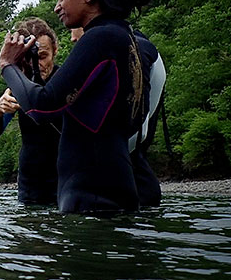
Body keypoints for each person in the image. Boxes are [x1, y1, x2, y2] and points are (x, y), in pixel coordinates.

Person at [0, 0, 149, 214]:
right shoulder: (126, 38)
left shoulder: (100, 37)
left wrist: (8, 65)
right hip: (113, 187)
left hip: (91, 196)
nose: (57, 6)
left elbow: (42, 108)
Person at [70, 26, 164, 207]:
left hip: (131, 181)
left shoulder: (133, 49)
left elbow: (139, 127)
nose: (73, 39)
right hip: (132, 174)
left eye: (75, 26)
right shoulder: (127, 44)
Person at [0, 17, 60, 205]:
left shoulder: (65, 80)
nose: (36, 64)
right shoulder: (19, 89)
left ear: (55, 51)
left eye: (42, 57)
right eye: (29, 58)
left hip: (65, 185)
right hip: (29, 189)